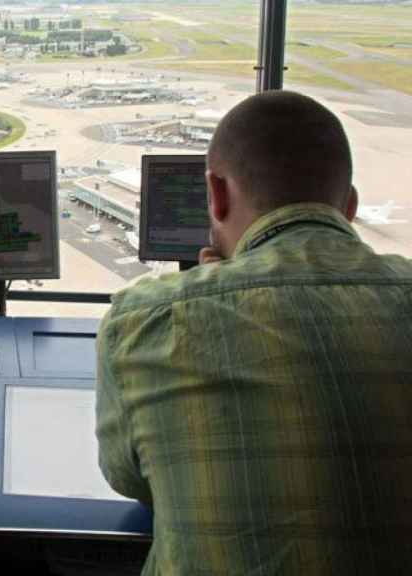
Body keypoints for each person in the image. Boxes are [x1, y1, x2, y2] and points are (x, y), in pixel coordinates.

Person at [96, 90, 412, 574]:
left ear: (217, 195)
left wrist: (200, 291)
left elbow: (128, 479)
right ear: (348, 206)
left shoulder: (146, 319)